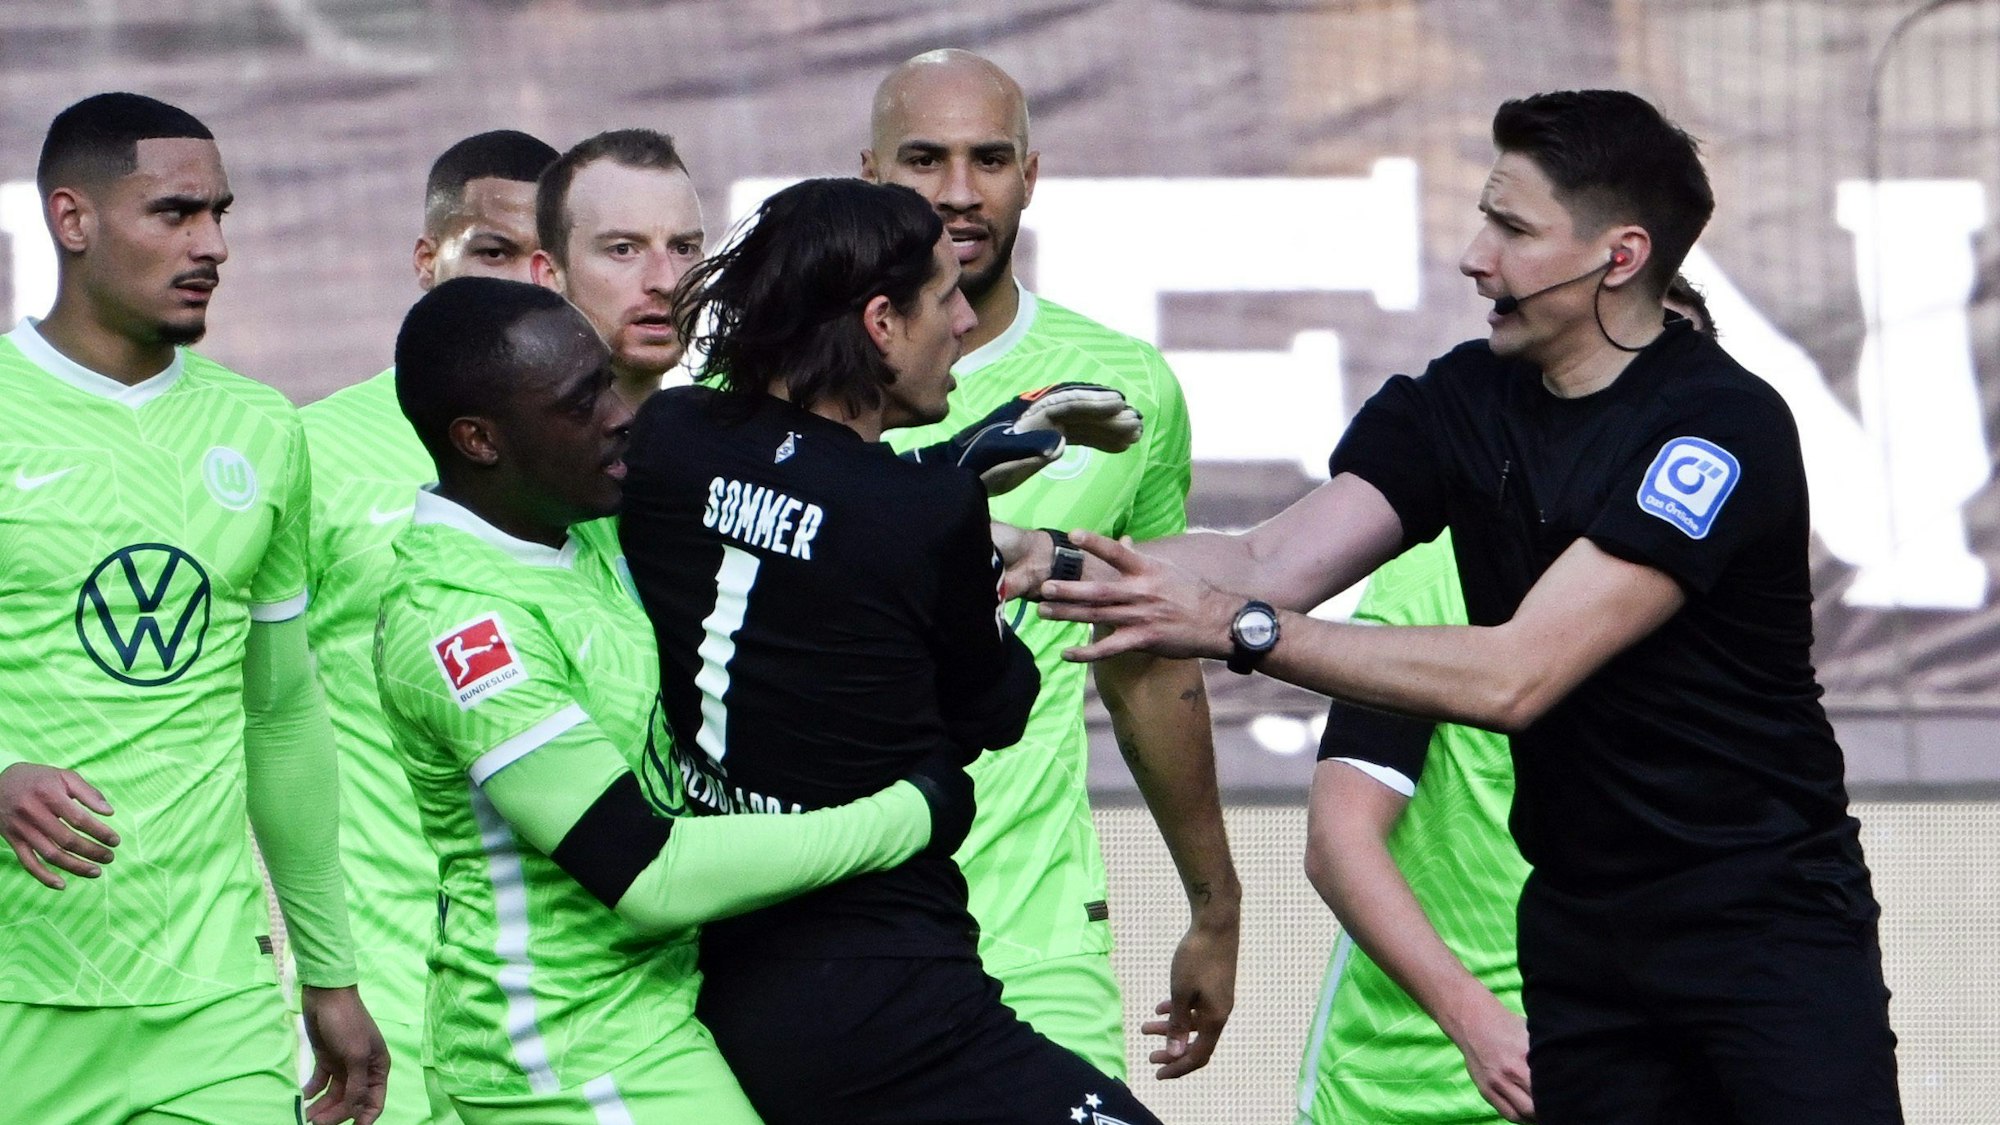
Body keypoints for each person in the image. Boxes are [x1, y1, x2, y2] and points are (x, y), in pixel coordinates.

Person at [1041, 90, 1902, 1124]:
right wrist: (1016, 552)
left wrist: (1239, 628)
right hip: (1579, 931)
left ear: (1617, 257)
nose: (1471, 255)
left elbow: (1514, 676)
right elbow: (1266, 556)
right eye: (1481, 217)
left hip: (1762, 930)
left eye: (1510, 228)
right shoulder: (1459, 401)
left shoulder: (1715, 428)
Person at [617, 177, 1166, 1125]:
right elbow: (995, 708)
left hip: (722, 984)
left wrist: (948, 481)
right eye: (944, 296)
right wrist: (971, 525)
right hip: (894, 1001)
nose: (961, 322)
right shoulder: (925, 518)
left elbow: (804, 497)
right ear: (880, 322)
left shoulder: (670, 435)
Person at [375, 276, 980, 1124]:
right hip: (566, 1057)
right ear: (480, 440)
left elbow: (792, 512)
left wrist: (950, 477)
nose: (620, 413)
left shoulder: (576, 520)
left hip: (656, 1013)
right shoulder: (462, 628)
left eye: (609, 382)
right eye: (579, 401)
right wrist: (911, 814)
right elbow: (649, 873)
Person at [0, 92, 387, 1125]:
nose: (209, 243)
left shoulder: (259, 431)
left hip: (211, 1002)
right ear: (73, 220)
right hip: (17, 998)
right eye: (173, 214)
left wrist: (331, 969)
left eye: (219, 213)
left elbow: (283, 716)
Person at [866, 48, 1239, 1081]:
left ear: (1030, 174)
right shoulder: (762, 390)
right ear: (868, 173)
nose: (955, 191)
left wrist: (1215, 904)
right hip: (819, 936)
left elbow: (1148, 657)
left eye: (988, 158)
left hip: (1032, 934)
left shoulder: (1126, 386)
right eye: (922, 159)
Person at [1295, 279, 1720, 1125]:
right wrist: (1476, 1023)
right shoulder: (1436, 570)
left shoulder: (1718, 594)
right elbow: (1340, 836)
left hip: (1629, 1069)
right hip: (1410, 1087)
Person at [302, 127, 560, 1125]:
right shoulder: (313, 449)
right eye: (490, 253)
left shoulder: (614, 460)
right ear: (427, 260)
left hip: (575, 992)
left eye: (544, 259)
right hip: (383, 994)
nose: (520, 283)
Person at [530, 128, 705, 407]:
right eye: (623, 249)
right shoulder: (502, 442)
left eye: (683, 248)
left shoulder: (737, 438)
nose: (667, 281)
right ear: (550, 275)